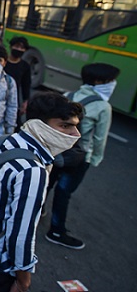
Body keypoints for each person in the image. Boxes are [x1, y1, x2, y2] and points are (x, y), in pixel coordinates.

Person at [0, 91, 83, 292]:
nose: (75, 134)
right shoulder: (32, 170)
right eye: (65, 126)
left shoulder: (7, 141)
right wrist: (23, 280)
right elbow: (21, 233)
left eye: (75, 125)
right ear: (39, 125)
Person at [45, 63, 120, 249]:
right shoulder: (103, 107)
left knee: (46, 185)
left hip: (57, 152)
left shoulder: (68, 96)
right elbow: (100, 138)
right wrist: (93, 160)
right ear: (99, 82)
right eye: (111, 80)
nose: (113, 83)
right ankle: (56, 231)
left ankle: (35, 211)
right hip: (79, 158)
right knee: (63, 193)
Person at [4, 37, 32, 131]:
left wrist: (25, 102)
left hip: (14, 100)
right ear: (11, 46)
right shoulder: (3, 62)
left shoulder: (25, 66)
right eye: (17, 46)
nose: (19, 49)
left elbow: (26, 84)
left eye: (22, 48)